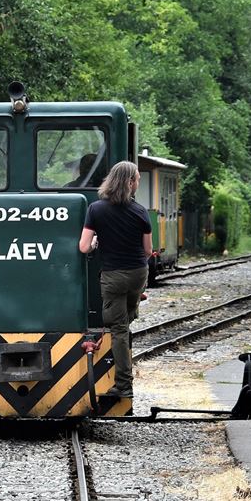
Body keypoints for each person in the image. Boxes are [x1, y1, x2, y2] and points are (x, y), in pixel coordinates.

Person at [79, 160, 151, 398]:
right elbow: (148, 251)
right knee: (126, 318)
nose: (138, 182)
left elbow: (84, 247)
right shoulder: (141, 212)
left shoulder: (96, 209)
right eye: (137, 179)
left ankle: (123, 385)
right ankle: (132, 311)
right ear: (130, 182)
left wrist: (98, 242)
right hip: (138, 275)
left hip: (114, 276)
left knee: (118, 328)